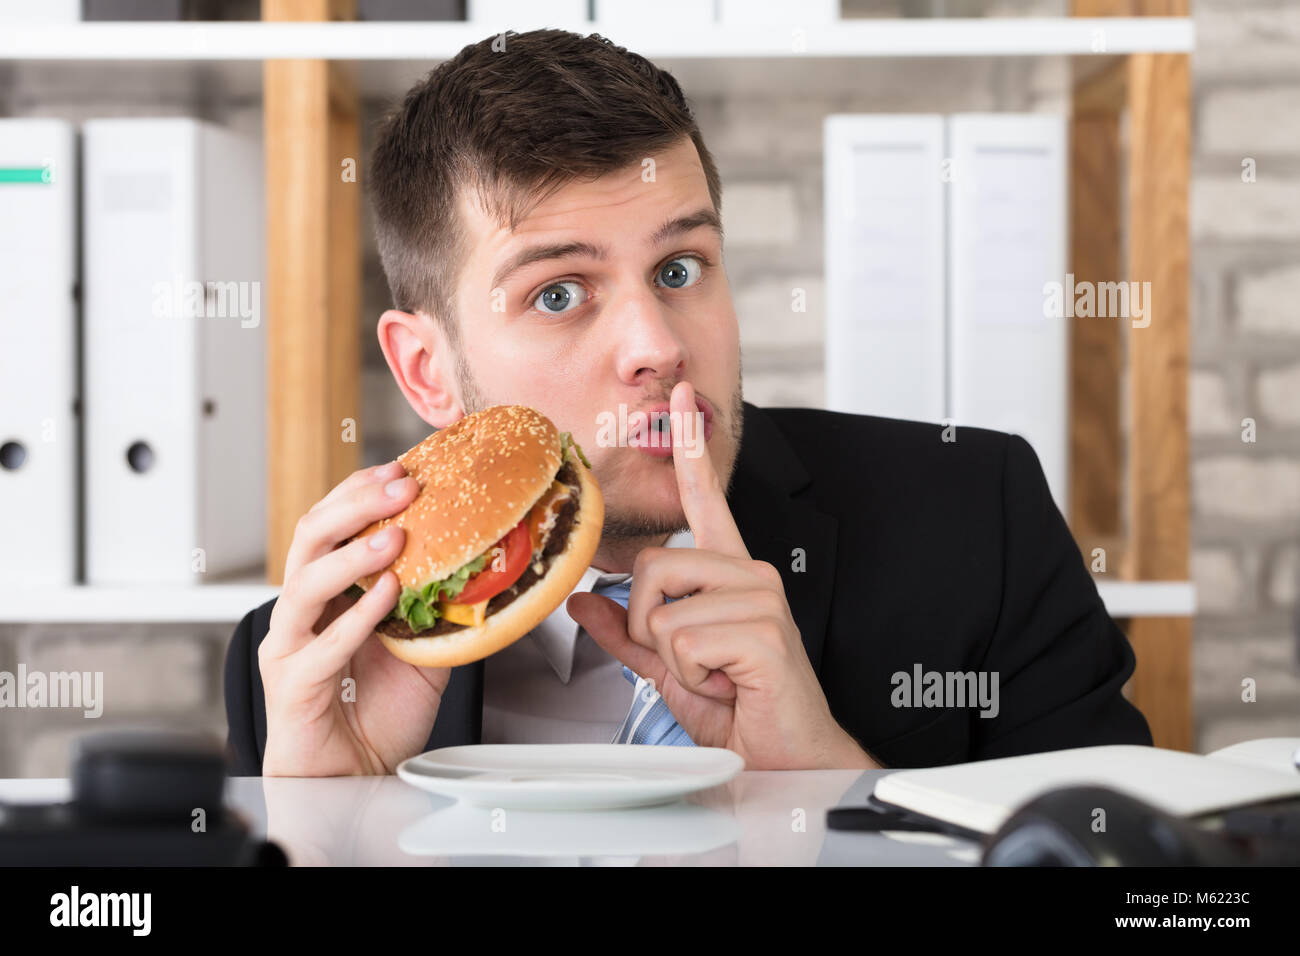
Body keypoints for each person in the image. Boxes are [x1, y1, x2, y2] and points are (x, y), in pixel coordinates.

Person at [224, 29, 1151, 777]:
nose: (659, 348)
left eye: (679, 269)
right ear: (427, 370)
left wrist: (826, 787)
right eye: (559, 293)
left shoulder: (977, 516)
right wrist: (328, 831)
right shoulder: (308, 663)